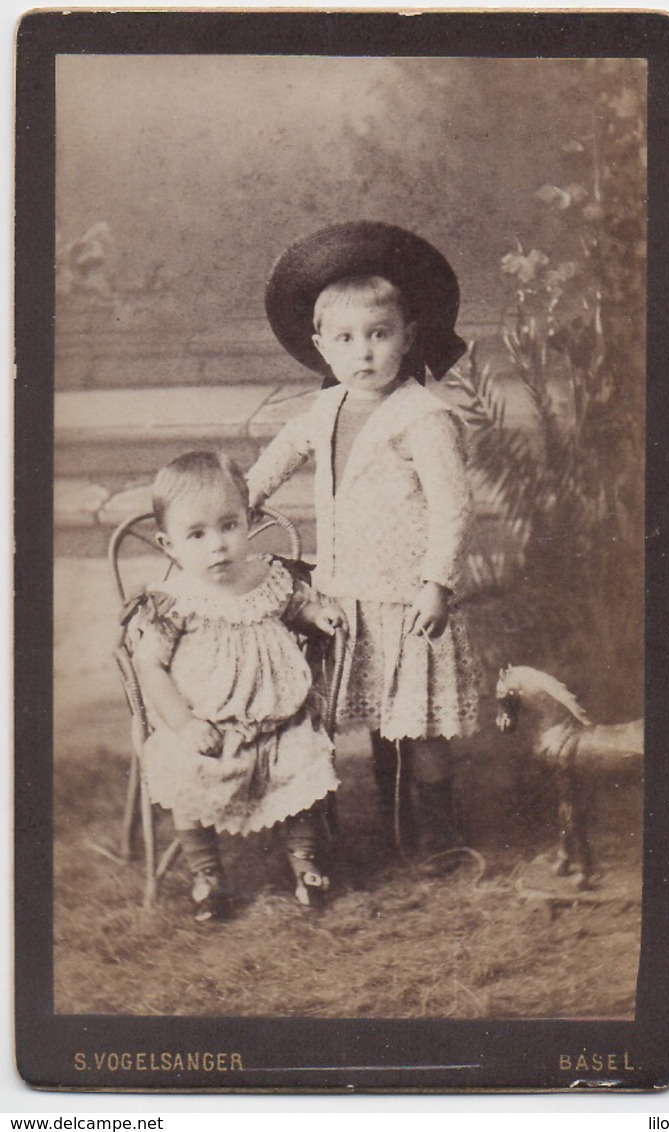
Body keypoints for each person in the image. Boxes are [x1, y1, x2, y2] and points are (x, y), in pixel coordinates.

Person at [246, 221, 483, 858]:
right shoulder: (323, 410)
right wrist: (240, 504)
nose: (364, 353)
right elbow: (276, 460)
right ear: (321, 345)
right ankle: (390, 817)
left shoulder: (423, 417)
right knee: (379, 717)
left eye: (379, 335)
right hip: (345, 595)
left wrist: (437, 584)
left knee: (421, 725)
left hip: (409, 602)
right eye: (346, 339)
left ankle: (435, 837)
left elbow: (454, 509)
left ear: (408, 338)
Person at [126, 449, 345, 922]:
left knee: (302, 763)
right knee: (188, 776)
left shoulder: (267, 576)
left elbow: (293, 608)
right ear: (169, 546)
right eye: (197, 535)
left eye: (229, 526)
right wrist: (184, 725)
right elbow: (150, 667)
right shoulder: (175, 601)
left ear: (248, 521)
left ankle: (304, 861)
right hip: (211, 726)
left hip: (282, 719)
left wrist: (315, 615)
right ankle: (208, 874)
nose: (217, 546)